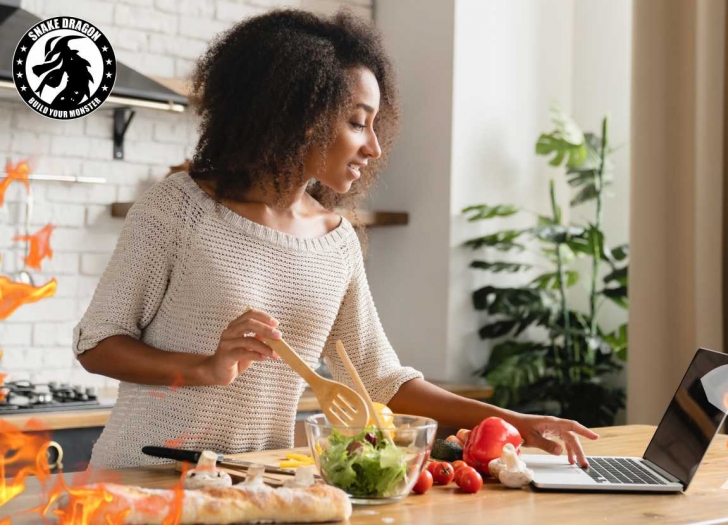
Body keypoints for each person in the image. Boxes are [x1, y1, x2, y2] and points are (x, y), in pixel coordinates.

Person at [75, 8, 597, 470]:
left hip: (254, 484)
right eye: (356, 122)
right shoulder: (178, 209)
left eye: (375, 125)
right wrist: (204, 368)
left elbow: (380, 380)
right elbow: (97, 344)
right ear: (296, 116)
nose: (373, 146)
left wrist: (513, 421)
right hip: (144, 477)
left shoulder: (336, 240)